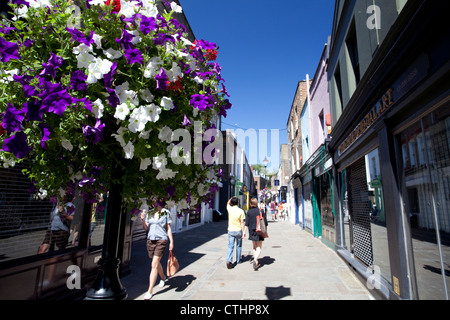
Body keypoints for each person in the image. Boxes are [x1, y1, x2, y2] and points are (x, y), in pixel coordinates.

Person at [140, 206, 174, 300]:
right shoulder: (150, 212)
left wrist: (171, 242)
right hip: (150, 240)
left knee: (154, 264)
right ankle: (163, 278)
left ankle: (149, 291)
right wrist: (142, 220)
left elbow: (168, 228)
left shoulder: (166, 212)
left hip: (161, 240)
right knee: (156, 263)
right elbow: (146, 228)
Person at [245, 198, 268, 271]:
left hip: (251, 230)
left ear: (251, 204)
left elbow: (247, 223)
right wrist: (266, 230)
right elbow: (265, 222)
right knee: (259, 247)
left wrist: (244, 232)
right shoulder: (260, 211)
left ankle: (256, 261)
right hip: (259, 230)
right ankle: (255, 259)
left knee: (254, 246)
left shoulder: (249, 212)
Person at [226, 196, 246, 269]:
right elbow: (242, 222)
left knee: (230, 246)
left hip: (231, 230)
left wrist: (231, 198)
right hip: (238, 230)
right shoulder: (241, 211)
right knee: (239, 246)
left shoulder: (230, 209)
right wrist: (244, 231)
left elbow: (227, 203)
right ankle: (238, 260)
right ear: (238, 202)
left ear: (231, 202)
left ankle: (229, 260)